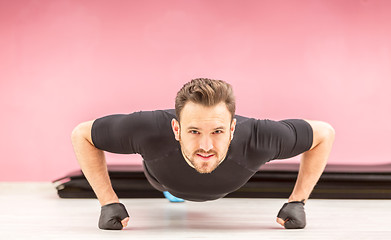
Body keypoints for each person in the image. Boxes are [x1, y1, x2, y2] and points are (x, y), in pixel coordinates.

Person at [71, 78, 335, 230]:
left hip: (220, 184)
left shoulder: (258, 137)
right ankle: (170, 193)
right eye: (194, 131)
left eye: (218, 131)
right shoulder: (147, 129)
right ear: (176, 128)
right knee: (168, 188)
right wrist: (108, 202)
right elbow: (82, 134)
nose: (206, 146)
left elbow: (324, 133)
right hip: (161, 179)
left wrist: (297, 201)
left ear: (233, 129)